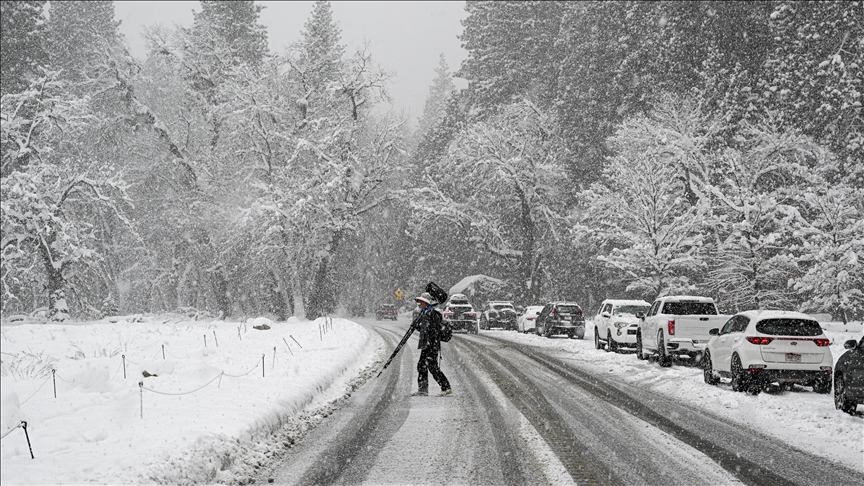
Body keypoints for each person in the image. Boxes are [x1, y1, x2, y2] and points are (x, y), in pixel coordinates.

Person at [412, 292, 451, 397]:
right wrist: (417, 325)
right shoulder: (425, 313)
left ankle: (446, 387)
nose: (419, 304)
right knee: (422, 365)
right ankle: (423, 389)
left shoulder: (433, 314)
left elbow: (433, 330)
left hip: (431, 344)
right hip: (427, 344)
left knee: (432, 366)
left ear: (426, 302)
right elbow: (424, 329)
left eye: (421, 302)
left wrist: (430, 340)